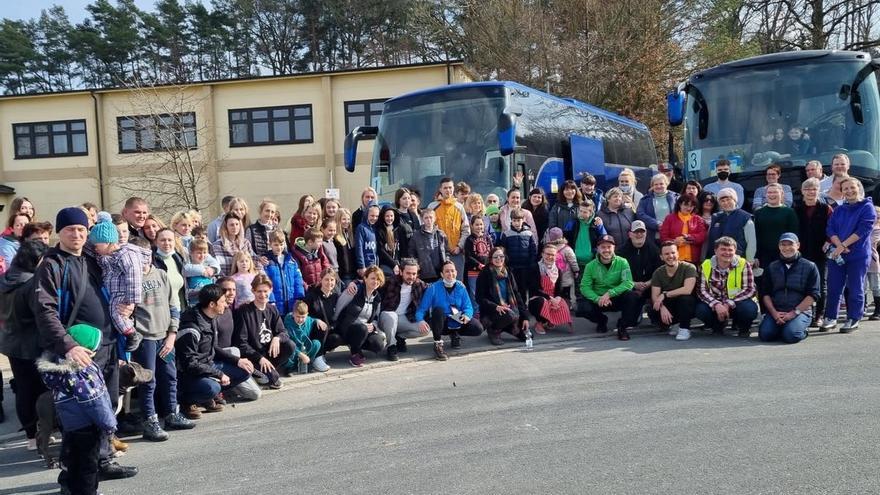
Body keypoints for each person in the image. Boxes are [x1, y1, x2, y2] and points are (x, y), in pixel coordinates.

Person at [35, 207, 137, 481]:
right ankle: (73, 475)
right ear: (59, 232)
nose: (77, 234)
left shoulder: (91, 259)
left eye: (82, 230)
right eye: (70, 230)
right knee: (81, 419)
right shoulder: (52, 264)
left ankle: (101, 462)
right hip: (78, 354)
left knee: (108, 405)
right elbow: (45, 311)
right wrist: (68, 346)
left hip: (107, 345)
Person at [36, 324, 117, 495]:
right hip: (88, 427)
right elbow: (95, 402)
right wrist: (109, 425)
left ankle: (73, 491)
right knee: (88, 467)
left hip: (71, 427)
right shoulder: (83, 374)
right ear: (85, 352)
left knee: (73, 464)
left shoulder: (59, 372)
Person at [129, 236, 193, 441]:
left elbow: (173, 305)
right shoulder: (131, 280)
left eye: (148, 255)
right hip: (145, 338)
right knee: (149, 380)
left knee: (169, 375)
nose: (145, 260)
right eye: (140, 256)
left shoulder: (162, 275)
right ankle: (150, 420)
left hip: (165, 337)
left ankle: (172, 413)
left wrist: (172, 334)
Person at [176, 284, 251, 419]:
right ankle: (187, 401)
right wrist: (219, 374)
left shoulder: (211, 318)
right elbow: (190, 364)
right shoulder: (191, 328)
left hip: (208, 365)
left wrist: (238, 361)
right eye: (222, 301)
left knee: (245, 371)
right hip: (189, 374)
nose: (225, 304)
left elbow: (214, 348)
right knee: (213, 388)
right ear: (212, 304)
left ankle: (205, 398)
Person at [0, 240, 48, 450]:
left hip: (11, 341)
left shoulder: (6, 278)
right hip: (31, 343)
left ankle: (30, 437)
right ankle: (38, 433)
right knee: (37, 390)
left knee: (23, 390)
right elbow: (40, 315)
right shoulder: (31, 283)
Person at [821, 177, 877, 332]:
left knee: (855, 287)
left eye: (852, 187)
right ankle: (831, 317)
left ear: (859, 188)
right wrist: (839, 246)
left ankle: (853, 318)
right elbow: (830, 228)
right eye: (845, 188)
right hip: (837, 254)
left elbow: (863, 229)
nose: (849, 191)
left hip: (857, 255)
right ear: (842, 192)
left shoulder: (867, 207)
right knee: (834, 286)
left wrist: (844, 245)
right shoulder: (839, 209)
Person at [88, 212, 151, 351]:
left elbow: (134, 276)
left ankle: (132, 334)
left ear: (107, 242)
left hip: (123, 292)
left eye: (97, 245)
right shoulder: (105, 255)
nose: (95, 249)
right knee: (115, 313)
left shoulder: (126, 255)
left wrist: (132, 300)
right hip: (113, 291)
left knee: (116, 313)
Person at [233, 275, 295, 389]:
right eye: (259, 291)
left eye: (265, 291)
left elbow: (283, 332)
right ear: (253, 291)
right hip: (253, 357)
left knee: (290, 345)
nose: (262, 295)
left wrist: (277, 338)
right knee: (273, 380)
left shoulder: (272, 309)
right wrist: (259, 358)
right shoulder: (244, 312)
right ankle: (260, 373)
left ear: (271, 290)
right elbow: (241, 344)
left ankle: (270, 370)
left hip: (268, 354)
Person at [416, 260, 484, 360]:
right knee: (438, 310)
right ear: (442, 274)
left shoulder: (461, 287)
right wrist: (420, 320)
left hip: (457, 318)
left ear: (456, 273)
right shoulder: (433, 288)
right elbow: (421, 309)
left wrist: (467, 315)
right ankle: (438, 344)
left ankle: (455, 334)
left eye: (452, 271)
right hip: (441, 322)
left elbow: (468, 307)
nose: (450, 274)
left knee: (478, 328)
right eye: (447, 271)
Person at [759, 233, 820, 344]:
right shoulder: (772, 267)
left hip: (800, 311)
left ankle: (800, 329)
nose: (786, 248)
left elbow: (813, 295)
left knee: (791, 336)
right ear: (779, 247)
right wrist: (774, 313)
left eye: (790, 244)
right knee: (765, 335)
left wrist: (793, 313)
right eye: (783, 244)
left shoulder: (810, 266)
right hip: (777, 311)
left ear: (798, 245)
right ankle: (783, 327)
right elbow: (765, 293)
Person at [579, 235, 639, 340]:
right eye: (603, 247)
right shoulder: (590, 266)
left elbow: (628, 282)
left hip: (616, 297)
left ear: (614, 248)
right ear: (597, 249)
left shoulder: (622, 262)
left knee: (633, 296)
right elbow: (584, 287)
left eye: (609, 247)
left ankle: (622, 326)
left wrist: (610, 294)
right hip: (599, 299)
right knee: (582, 307)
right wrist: (597, 299)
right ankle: (602, 321)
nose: (606, 250)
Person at [695, 236, 758, 337]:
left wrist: (728, 304)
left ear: (735, 251)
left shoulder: (743, 264)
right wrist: (716, 304)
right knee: (700, 310)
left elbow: (750, 289)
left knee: (749, 309)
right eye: (723, 249)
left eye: (730, 250)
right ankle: (717, 327)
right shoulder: (706, 265)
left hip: (737, 303)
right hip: (716, 305)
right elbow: (702, 291)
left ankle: (743, 328)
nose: (727, 253)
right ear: (715, 250)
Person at [213, 277, 264, 400]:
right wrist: (237, 360)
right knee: (234, 351)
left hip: (230, 360)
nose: (231, 293)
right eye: (227, 289)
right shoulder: (214, 313)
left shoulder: (230, 310)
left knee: (255, 394)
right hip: (217, 360)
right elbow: (212, 347)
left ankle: (227, 387)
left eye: (233, 289)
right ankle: (215, 391)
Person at [794, 178, 833, 326]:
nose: (811, 192)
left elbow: (832, 226)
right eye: (808, 189)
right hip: (801, 252)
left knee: (821, 285)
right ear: (803, 192)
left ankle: (819, 315)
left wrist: (828, 240)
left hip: (820, 252)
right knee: (802, 284)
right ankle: (805, 313)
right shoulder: (796, 208)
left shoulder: (826, 208)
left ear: (819, 191)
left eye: (814, 189)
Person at [332, 266, 386, 367]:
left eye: (378, 279)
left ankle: (357, 345)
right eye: (372, 278)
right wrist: (334, 324)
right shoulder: (354, 290)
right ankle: (355, 353)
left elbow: (376, 317)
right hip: (347, 327)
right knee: (362, 328)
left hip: (364, 329)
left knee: (378, 344)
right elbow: (339, 307)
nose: (375, 281)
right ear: (365, 278)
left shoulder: (377, 297)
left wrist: (373, 326)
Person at [475, 247, 530, 345]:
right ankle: (493, 330)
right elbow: (479, 298)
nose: (499, 259)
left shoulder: (508, 271)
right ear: (491, 258)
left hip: (509, 309)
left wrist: (525, 317)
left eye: (501, 256)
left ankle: (507, 327)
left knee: (526, 336)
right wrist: (496, 307)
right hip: (491, 311)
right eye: (495, 257)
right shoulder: (485, 273)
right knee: (510, 315)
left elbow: (516, 294)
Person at [377, 259, 430, 361]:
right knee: (391, 316)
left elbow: (435, 289)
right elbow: (369, 282)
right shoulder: (389, 281)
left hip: (403, 318)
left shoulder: (419, 284)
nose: (411, 276)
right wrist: (355, 283)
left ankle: (399, 337)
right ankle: (391, 346)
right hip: (385, 318)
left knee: (425, 330)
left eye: (414, 273)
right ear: (401, 272)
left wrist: (456, 284)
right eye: (408, 273)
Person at [649, 241, 698, 341]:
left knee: (685, 299)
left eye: (673, 253)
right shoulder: (658, 272)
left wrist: (665, 294)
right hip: (670, 305)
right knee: (653, 309)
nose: (670, 256)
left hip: (686, 303)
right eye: (666, 254)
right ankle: (675, 324)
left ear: (678, 254)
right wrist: (662, 307)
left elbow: (687, 290)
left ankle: (684, 328)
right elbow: (655, 296)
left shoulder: (689, 268)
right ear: (661, 257)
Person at [430, 177, 472, 280]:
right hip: (438, 254)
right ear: (440, 189)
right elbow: (427, 230)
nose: (448, 190)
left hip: (456, 253)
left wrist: (459, 246)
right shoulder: (432, 207)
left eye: (450, 187)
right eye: (445, 188)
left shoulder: (459, 207)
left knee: (457, 283)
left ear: (453, 189)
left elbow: (466, 230)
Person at [754, 184, 800, 275]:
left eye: (775, 192)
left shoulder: (789, 212)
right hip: (764, 256)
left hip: (784, 254)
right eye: (769, 192)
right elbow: (756, 236)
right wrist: (756, 256)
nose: (772, 195)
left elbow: (794, 234)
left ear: (782, 194)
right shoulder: (759, 213)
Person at [527, 244, 573, 334]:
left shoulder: (558, 269)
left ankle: (549, 321)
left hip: (552, 296)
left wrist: (558, 297)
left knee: (563, 304)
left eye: (553, 255)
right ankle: (539, 322)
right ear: (542, 254)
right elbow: (534, 289)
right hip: (538, 297)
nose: (550, 257)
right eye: (547, 254)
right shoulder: (535, 267)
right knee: (542, 302)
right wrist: (550, 298)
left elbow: (559, 288)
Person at [619, 220, 661, 314]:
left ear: (646, 233)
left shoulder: (654, 250)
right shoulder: (621, 252)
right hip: (630, 287)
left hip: (650, 285)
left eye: (642, 232)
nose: (639, 234)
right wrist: (633, 284)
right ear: (630, 234)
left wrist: (648, 283)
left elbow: (660, 272)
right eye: (636, 232)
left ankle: (653, 312)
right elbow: (617, 275)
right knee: (631, 320)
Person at [707, 188, 757, 263]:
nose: (726, 203)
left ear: (735, 200)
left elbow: (751, 242)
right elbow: (709, 240)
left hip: (737, 260)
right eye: (722, 201)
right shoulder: (715, 217)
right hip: (716, 261)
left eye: (728, 200)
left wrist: (750, 260)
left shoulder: (745, 217)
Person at [302, 267, 338, 372]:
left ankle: (322, 353)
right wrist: (315, 320)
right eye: (326, 279)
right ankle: (317, 357)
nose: (329, 282)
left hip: (329, 329)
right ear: (321, 280)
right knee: (321, 327)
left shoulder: (336, 296)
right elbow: (303, 313)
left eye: (332, 280)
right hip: (314, 329)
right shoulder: (312, 296)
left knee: (337, 338)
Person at [499, 208, 537, 304]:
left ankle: (524, 305)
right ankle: (514, 305)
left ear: (523, 220)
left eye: (519, 220)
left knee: (523, 287)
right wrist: (506, 264)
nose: (517, 223)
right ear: (511, 220)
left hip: (525, 266)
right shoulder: (506, 234)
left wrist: (532, 262)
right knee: (513, 287)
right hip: (512, 266)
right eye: (514, 220)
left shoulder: (529, 233)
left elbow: (533, 249)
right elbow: (503, 250)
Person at [264, 230, 305, 316]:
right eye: (276, 245)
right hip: (276, 304)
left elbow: (298, 280)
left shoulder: (291, 260)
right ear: (270, 244)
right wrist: (271, 300)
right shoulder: (266, 261)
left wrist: (299, 297)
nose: (279, 247)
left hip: (291, 303)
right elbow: (266, 283)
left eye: (281, 244)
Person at [659, 194, 706, 264]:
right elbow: (663, 237)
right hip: (674, 259)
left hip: (693, 259)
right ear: (680, 204)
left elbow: (703, 235)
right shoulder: (669, 218)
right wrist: (674, 242)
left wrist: (690, 238)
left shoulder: (698, 219)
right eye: (686, 205)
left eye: (691, 206)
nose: (689, 208)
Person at [282, 301, 324, 372]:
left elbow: (312, 319)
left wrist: (318, 320)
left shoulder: (308, 320)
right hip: (293, 349)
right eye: (298, 316)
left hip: (304, 348)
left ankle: (305, 363)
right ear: (293, 314)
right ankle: (291, 367)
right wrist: (300, 354)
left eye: (303, 317)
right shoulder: (288, 322)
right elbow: (287, 342)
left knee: (317, 343)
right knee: (288, 349)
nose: (300, 320)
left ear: (307, 315)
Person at [408, 208, 448, 283]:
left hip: (440, 273)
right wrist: (416, 265)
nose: (429, 220)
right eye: (426, 218)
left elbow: (447, 252)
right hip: (424, 273)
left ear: (435, 218)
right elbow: (411, 253)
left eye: (431, 217)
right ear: (422, 219)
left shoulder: (441, 234)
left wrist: (447, 264)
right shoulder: (416, 236)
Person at [636, 173, 679, 241]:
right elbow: (640, 214)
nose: (659, 186)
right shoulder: (645, 199)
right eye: (656, 184)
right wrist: (657, 224)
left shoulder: (676, 198)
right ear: (652, 186)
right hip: (653, 238)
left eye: (661, 184)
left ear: (666, 184)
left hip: (673, 237)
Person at [463, 215, 493, 305]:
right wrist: (478, 265)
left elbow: (492, 252)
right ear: (472, 226)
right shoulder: (469, 239)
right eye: (476, 225)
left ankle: (486, 312)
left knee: (487, 292)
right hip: (473, 271)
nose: (479, 227)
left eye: (481, 224)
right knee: (474, 293)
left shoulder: (487, 238)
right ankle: (476, 313)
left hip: (486, 270)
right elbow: (468, 256)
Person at [184, 239, 221, 306]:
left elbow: (216, 264)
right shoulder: (189, 268)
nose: (202, 255)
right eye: (199, 253)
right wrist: (203, 271)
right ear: (191, 253)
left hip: (209, 302)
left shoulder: (208, 266)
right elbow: (186, 269)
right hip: (195, 303)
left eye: (204, 252)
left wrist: (212, 269)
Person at [572, 199, 607, 271]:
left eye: (585, 212)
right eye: (580, 211)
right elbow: (566, 236)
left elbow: (604, 238)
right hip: (575, 262)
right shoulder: (574, 222)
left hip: (592, 262)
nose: (581, 213)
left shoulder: (596, 223)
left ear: (591, 213)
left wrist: (600, 226)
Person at [375, 205, 410, 277]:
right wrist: (394, 265)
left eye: (391, 216)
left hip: (399, 262)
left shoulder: (399, 229)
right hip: (386, 263)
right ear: (383, 217)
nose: (389, 218)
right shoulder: (379, 230)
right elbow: (381, 250)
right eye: (387, 216)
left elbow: (403, 249)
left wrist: (402, 265)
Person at [547, 179, 583, 246]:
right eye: (566, 189)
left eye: (572, 189)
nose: (569, 192)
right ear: (562, 192)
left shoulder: (581, 205)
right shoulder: (556, 207)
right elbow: (552, 225)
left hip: (579, 239)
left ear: (576, 190)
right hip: (561, 241)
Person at [354, 203, 380, 278]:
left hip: (374, 265)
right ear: (366, 214)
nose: (374, 218)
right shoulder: (361, 228)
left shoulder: (375, 228)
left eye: (376, 216)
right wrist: (361, 266)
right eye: (372, 215)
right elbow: (359, 248)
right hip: (365, 266)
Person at [333, 208, 357, 286]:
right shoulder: (335, 237)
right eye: (344, 219)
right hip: (344, 275)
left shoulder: (350, 235)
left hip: (354, 273)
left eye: (348, 219)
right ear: (338, 220)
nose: (346, 222)